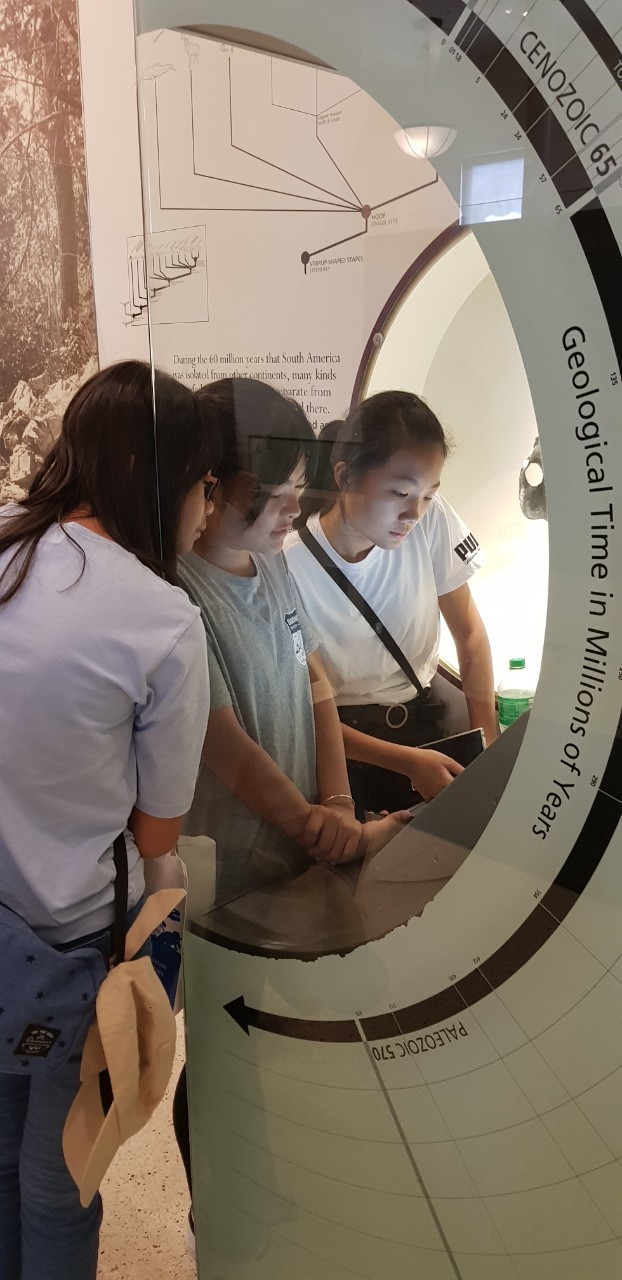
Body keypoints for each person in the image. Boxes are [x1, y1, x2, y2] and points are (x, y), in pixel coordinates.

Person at [0, 360, 217, 1280]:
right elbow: (157, 835)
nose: (208, 508)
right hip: (71, 949)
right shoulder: (161, 620)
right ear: (158, 477)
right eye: (205, 483)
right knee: (62, 1183)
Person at [174, 378, 407, 1234]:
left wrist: (336, 803)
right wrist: (318, 827)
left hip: (294, 859)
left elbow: (315, 684)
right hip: (224, 873)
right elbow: (225, 745)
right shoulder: (178, 592)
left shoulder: (272, 565)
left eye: (296, 495)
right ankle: (221, 1216)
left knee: (272, 1038)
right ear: (207, 488)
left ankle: (265, 1195)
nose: (289, 514)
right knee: (221, 1053)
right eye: (269, 497)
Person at [285, 390, 497, 817]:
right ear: (345, 477)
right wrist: (406, 762)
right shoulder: (288, 563)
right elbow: (304, 711)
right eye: (399, 492)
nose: (414, 513)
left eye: (428, 494)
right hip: (339, 759)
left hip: (425, 738)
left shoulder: (431, 521)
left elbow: (470, 633)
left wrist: (487, 746)